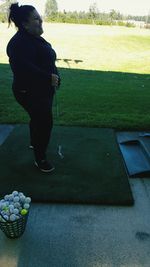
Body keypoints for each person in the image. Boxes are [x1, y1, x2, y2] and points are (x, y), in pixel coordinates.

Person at [7, 3, 61, 173]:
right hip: (28, 92)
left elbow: (46, 61)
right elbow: (24, 70)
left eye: (40, 17)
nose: (41, 20)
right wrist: (49, 78)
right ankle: (40, 158)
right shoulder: (18, 43)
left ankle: (34, 142)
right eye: (36, 18)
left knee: (37, 118)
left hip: (43, 91)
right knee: (44, 122)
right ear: (24, 24)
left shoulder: (34, 37)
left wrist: (55, 78)